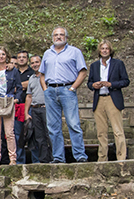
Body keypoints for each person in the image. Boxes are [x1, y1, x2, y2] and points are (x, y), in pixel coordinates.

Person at [40, 26, 88, 162]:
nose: (58, 37)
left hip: (67, 90)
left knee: (73, 124)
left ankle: (80, 156)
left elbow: (83, 72)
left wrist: (72, 88)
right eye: (56, 35)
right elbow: (42, 74)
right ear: (52, 37)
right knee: (53, 127)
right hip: (50, 91)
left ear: (66, 37)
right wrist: (45, 89)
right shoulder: (47, 53)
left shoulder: (75, 52)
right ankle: (58, 157)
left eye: (61, 35)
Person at [87, 40, 129, 161]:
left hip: (112, 98)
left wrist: (111, 84)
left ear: (110, 50)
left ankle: (121, 159)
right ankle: (102, 159)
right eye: (102, 48)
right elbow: (89, 83)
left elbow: (125, 81)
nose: (104, 50)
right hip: (99, 99)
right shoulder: (94, 65)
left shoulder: (118, 64)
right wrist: (93, 85)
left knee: (118, 131)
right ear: (99, 51)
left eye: (106, 48)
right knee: (101, 132)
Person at [0, 47, 22, 166]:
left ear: (6, 56)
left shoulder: (12, 70)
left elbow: (19, 86)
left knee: (9, 132)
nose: (1, 56)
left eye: (3, 54)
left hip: (8, 101)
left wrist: (16, 98)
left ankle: (13, 158)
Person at [24, 56, 52, 164]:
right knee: (39, 137)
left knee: (49, 134)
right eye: (32, 63)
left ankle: (55, 158)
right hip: (35, 109)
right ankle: (43, 159)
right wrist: (26, 112)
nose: (35, 64)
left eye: (37, 62)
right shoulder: (31, 78)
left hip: (46, 108)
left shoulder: (48, 76)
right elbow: (29, 96)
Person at [13, 50, 35, 163]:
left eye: (24, 57)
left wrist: (19, 86)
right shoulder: (13, 72)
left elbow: (32, 83)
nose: (21, 59)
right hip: (16, 106)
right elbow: (10, 87)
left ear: (27, 59)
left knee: (32, 133)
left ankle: (36, 160)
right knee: (17, 135)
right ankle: (19, 160)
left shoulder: (32, 72)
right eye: (19, 57)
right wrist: (24, 85)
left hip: (30, 106)